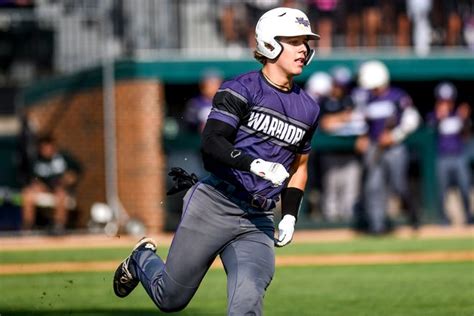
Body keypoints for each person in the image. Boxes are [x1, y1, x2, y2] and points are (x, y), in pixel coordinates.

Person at [113, 7, 321, 315]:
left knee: (247, 302)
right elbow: (211, 143)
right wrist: (255, 164)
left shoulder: (309, 108)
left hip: (257, 219)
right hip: (216, 203)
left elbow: (299, 168)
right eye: (294, 41)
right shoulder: (242, 89)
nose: (303, 49)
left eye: (305, 42)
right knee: (170, 299)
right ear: (269, 44)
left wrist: (289, 215)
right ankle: (141, 258)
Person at [356, 60, 421, 234]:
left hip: (394, 148)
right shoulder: (367, 98)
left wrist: (394, 136)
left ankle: (413, 216)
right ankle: (377, 226)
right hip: (375, 147)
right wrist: (362, 137)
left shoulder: (398, 96)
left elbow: (412, 120)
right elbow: (363, 121)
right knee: (373, 186)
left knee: (399, 185)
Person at [316, 66, 366, 223]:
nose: (339, 88)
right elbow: (324, 124)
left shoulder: (350, 99)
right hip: (330, 152)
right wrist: (343, 117)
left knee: (350, 190)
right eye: (337, 84)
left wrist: (340, 120)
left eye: (342, 85)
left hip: (350, 153)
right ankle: (330, 223)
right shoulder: (324, 101)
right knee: (331, 188)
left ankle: (348, 222)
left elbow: (361, 121)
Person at [426, 82, 474, 225]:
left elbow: (467, 136)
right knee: (442, 191)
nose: (446, 104)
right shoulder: (433, 116)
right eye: (443, 100)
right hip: (442, 157)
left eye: (448, 100)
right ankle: (443, 219)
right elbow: (428, 131)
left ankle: (469, 217)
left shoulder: (459, 114)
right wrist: (439, 117)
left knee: (465, 187)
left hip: (459, 156)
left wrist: (464, 119)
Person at [21, 134, 82, 234]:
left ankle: (58, 226)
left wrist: (69, 178)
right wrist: (37, 184)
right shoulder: (35, 160)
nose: (47, 150)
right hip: (43, 190)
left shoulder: (63, 157)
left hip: (59, 189)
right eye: (45, 148)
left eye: (49, 147)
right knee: (27, 194)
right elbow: (30, 178)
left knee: (61, 194)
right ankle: (28, 227)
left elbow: (76, 171)